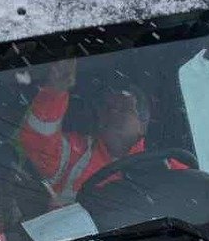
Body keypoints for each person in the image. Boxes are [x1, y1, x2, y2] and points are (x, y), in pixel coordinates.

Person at [16, 58, 176, 205]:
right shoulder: (73, 154)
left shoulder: (166, 167)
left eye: (124, 108)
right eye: (107, 107)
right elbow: (38, 140)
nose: (113, 112)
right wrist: (55, 92)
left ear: (143, 125)